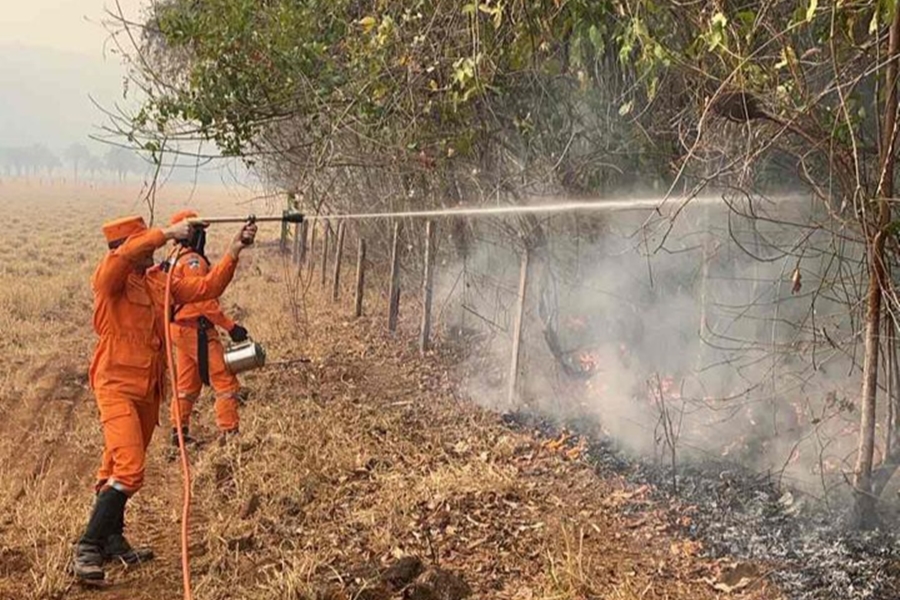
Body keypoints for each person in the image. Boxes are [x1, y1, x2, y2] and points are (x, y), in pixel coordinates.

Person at [72, 214, 257, 581]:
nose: (152, 248)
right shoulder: (110, 280)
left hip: (148, 389)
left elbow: (206, 288)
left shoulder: (158, 282)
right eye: (144, 242)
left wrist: (235, 249)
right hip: (115, 386)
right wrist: (167, 233)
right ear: (127, 247)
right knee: (129, 469)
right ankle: (87, 546)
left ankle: (112, 539)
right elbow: (126, 256)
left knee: (114, 467)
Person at [166, 209, 249, 445]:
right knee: (225, 379)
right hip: (196, 330)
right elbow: (203, 299)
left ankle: (178, 433)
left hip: (180, 329)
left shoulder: (174, 258)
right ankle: (230, 433)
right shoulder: (192, 261)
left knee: (187, 384)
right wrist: (231, 327)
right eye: (200, 231)